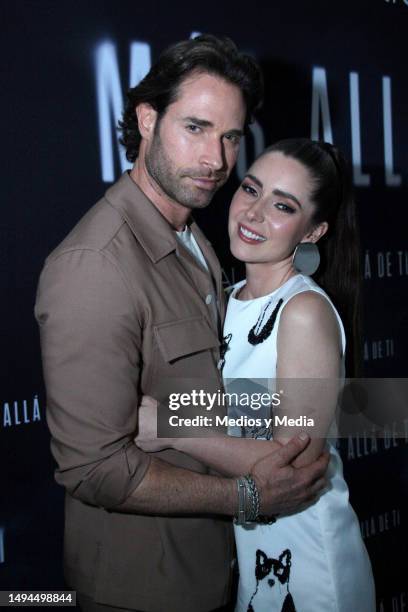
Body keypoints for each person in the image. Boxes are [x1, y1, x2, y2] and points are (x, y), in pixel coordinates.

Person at [34, 35, 329, 612]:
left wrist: (170, 422)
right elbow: (94, 469)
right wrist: (244, 496)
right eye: (195, 128)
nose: (215, 161)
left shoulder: (196, 239)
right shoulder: (95, 267)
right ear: (147, 120)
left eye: (229, 137)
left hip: (216, 571)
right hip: (138, 588)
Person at [136, 139, 376, 611]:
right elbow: (238, 411)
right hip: (250, 554)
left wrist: (169, 425)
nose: (254, 212)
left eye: (282, 205)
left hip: (307, 563)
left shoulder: (304, 310)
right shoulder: (225, 298)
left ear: (314, 231)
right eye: (251, 190)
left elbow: (295, 465)